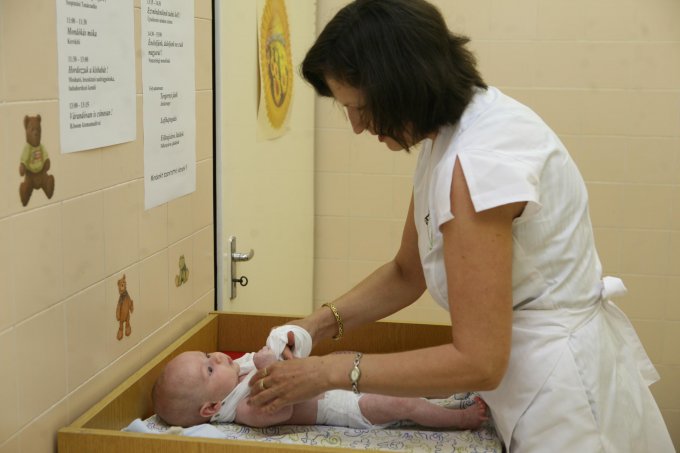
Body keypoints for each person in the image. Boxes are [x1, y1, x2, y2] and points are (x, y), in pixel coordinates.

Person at [245, 1, 676, 452]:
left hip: (567, 406)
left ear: (402, 85)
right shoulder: (448, 138)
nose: (356, 126)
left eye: (361, 107)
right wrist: (314, 327)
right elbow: (406, 272)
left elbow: (479, 361)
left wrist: (331, 371)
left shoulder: (478, 163)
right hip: (533, 386)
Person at [151, 346, 488, 430]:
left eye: (207, 355)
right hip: (345, 408)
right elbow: (282, 408)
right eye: (209, 368)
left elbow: (290, 370)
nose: (217, 357)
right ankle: (460, 420)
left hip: (335, 381)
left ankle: (448, 390)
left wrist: (283, 354)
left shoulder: (236, 373)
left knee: (391, 374)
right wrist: (268, 367)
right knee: (403, 404)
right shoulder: (241, 409)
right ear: (212, 407)